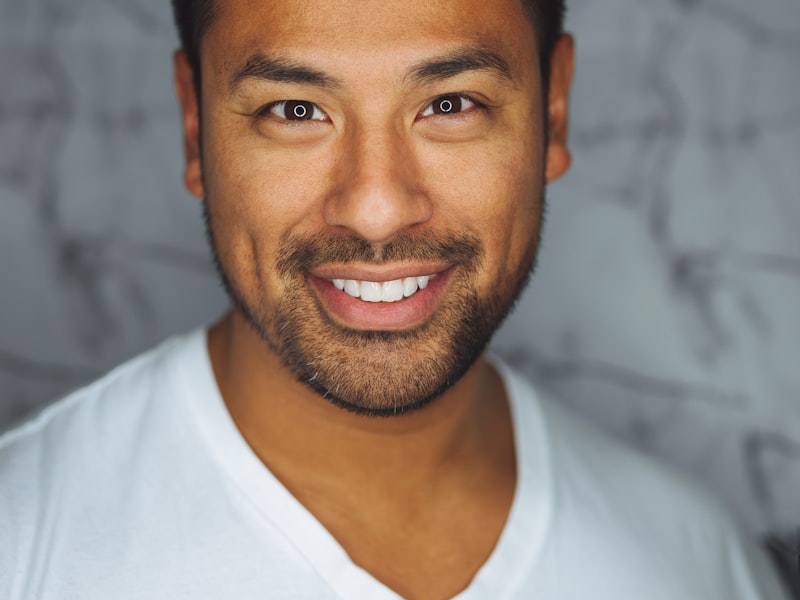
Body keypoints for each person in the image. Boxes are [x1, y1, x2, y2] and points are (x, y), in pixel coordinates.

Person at [0, 0, 791, 598]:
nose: (376, 208)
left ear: (553, 108)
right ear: (193, 123)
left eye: (450, 105)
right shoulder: (22, 542)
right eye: (294, 111)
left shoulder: (698, 563)